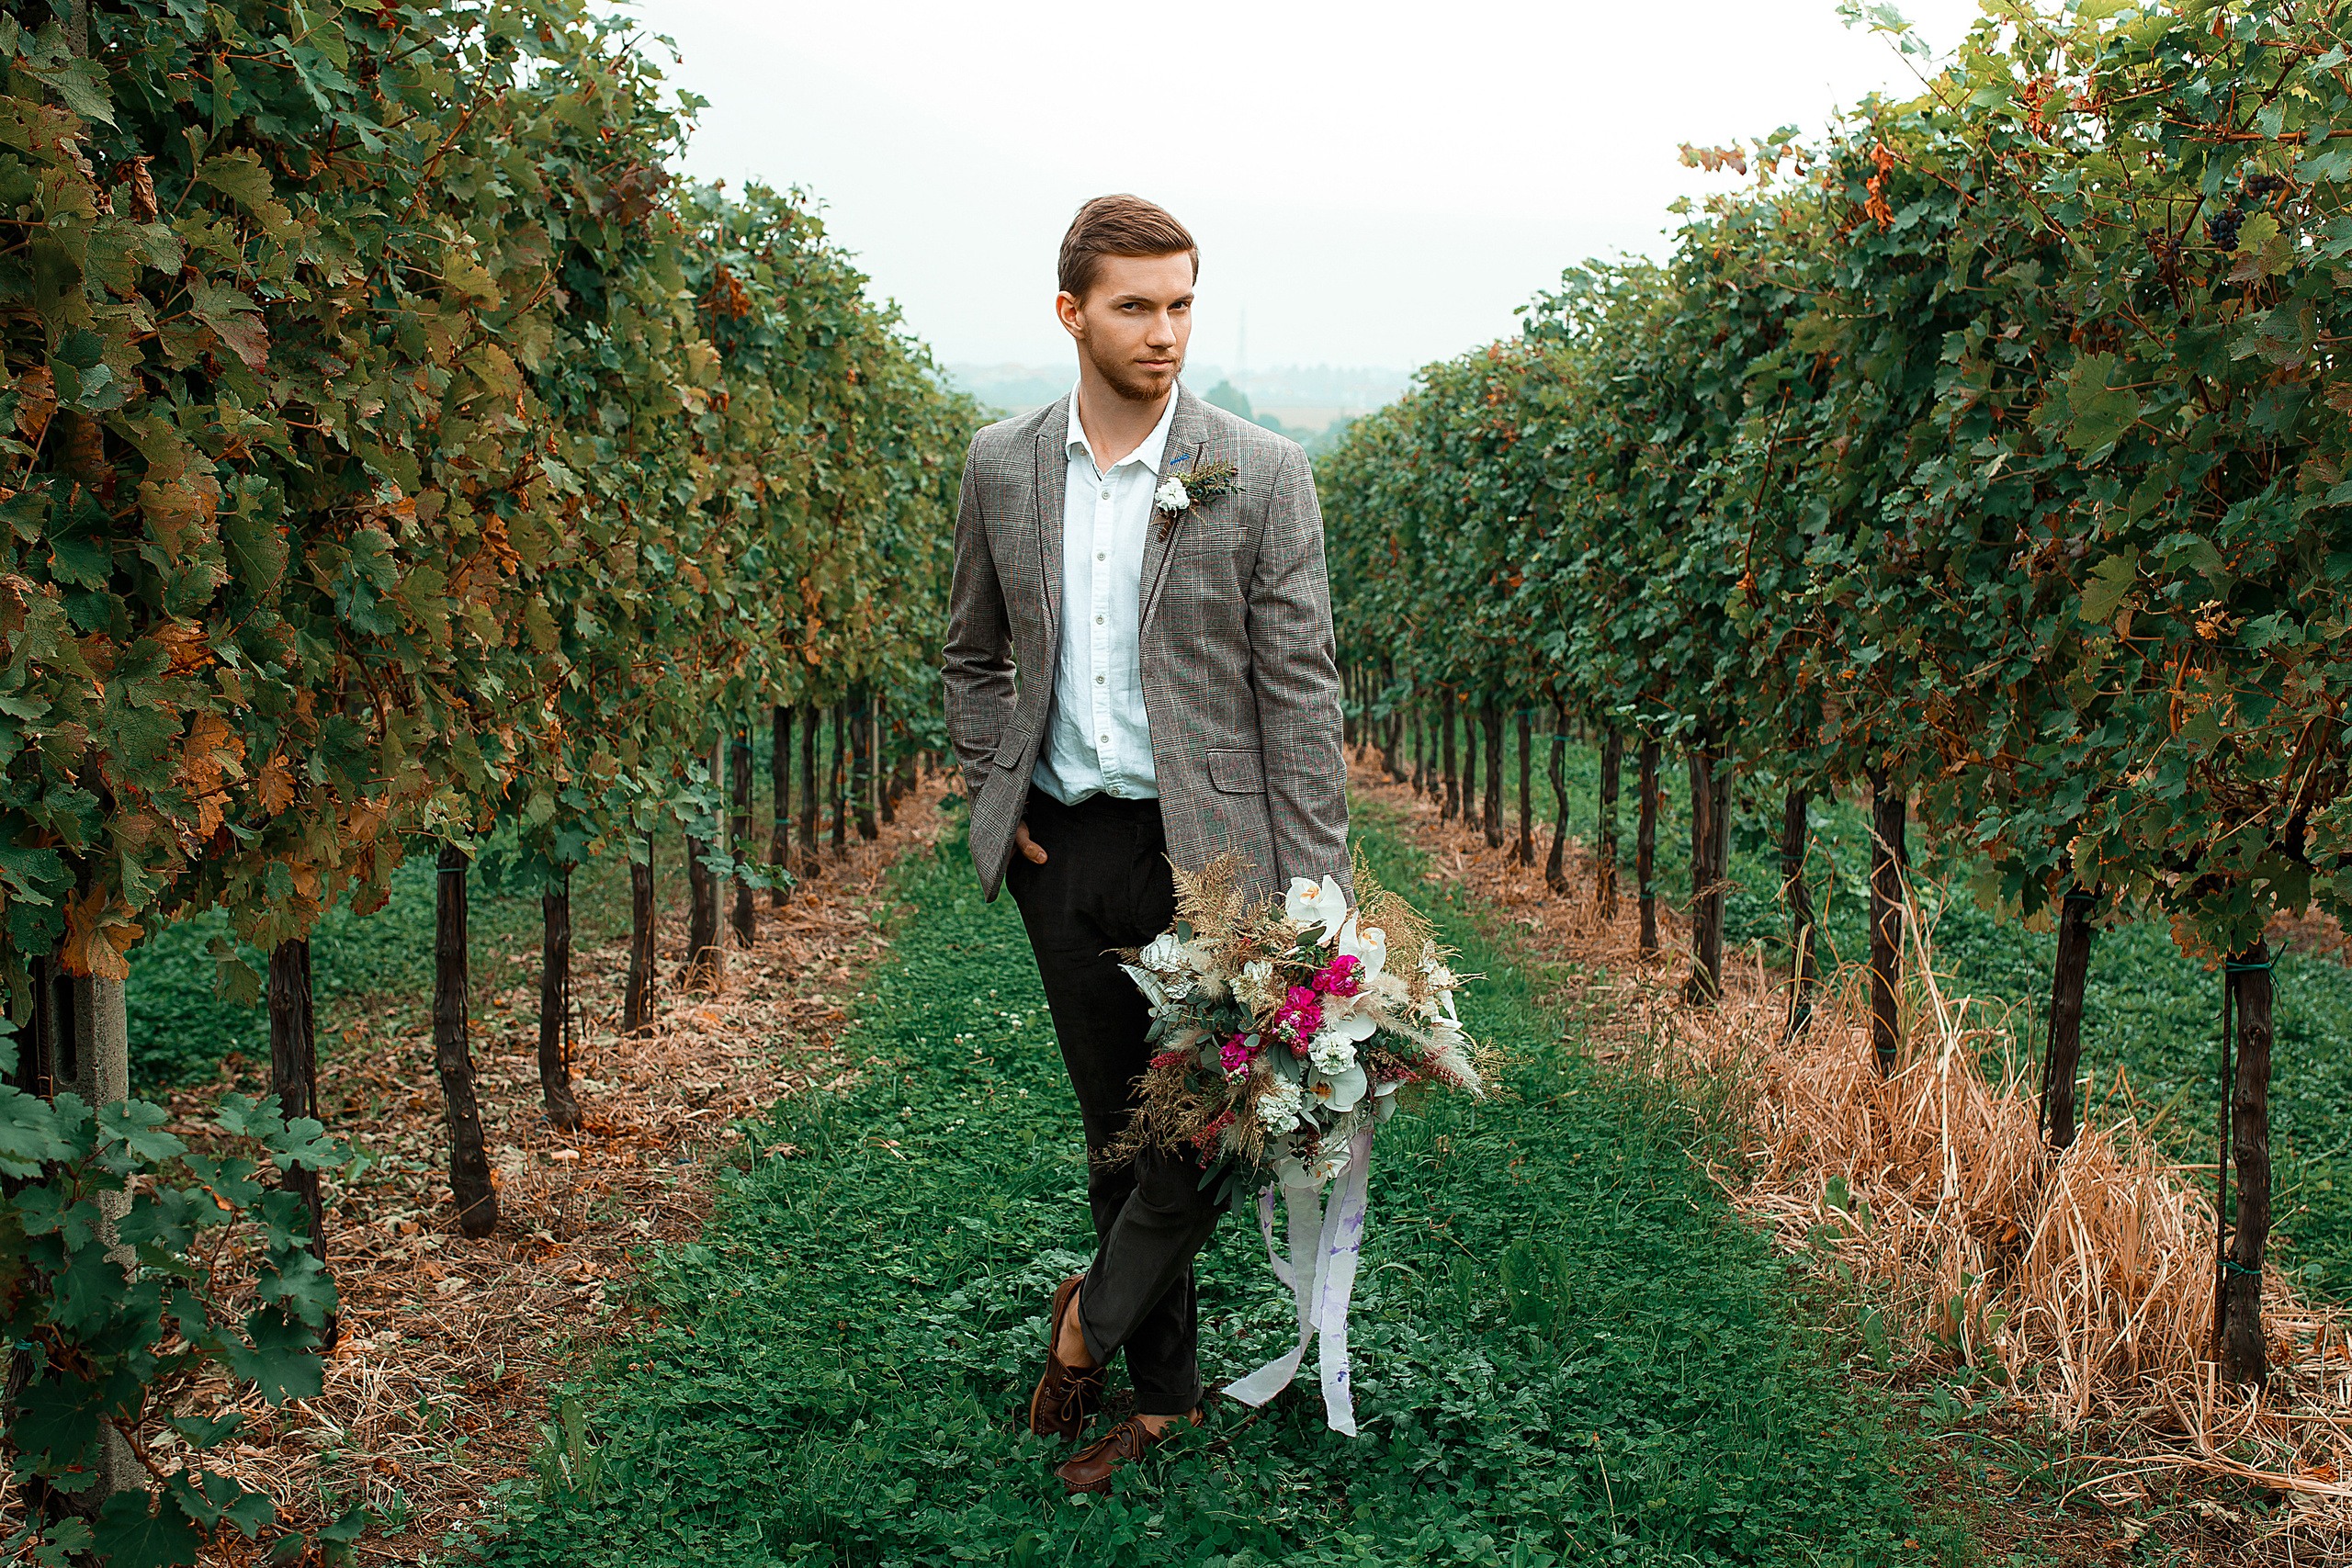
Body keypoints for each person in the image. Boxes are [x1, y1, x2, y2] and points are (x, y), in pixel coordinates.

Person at [939, 194, 1349, 1493]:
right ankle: (1162, 1403)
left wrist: (1315, 889)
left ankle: (1084, 1331)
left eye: (1180, 302)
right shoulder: (1002, 464)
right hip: (1066, 851)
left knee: (1208, 1131)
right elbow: (971, 653)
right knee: (1120, 1131)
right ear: (1071, 312)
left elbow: (1301, 690)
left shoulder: (1261, 470)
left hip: (1213, 859)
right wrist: (995, 792)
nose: (1165, 330)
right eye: (1135, 305)